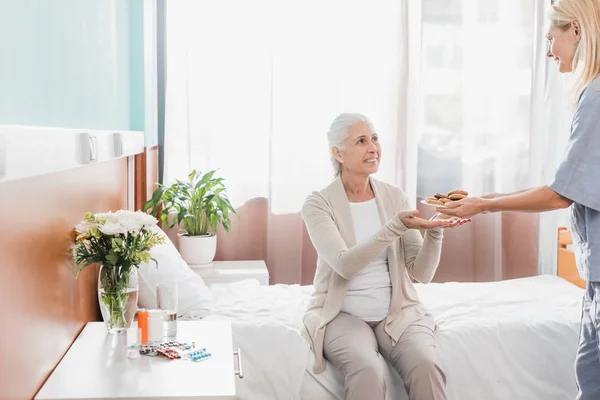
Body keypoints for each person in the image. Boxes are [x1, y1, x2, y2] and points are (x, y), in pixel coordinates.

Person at [439, 1, 600, 398]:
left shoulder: (595, 98)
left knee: (592, 377)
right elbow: (569, 184)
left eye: (551, 38)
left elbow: (562, 193)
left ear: (576, 31)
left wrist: (486, 205)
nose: (549, 51)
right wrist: (489, 198)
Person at [301, 112, 470, 400]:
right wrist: (395, 226)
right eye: (361, 141)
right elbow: (344, 264)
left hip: (397, 312)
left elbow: (421, 273)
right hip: (342, 315)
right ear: (337, 153)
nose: (373, 148)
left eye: (375, 139)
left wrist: (436, 229)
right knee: (368, 370)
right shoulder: (318, 204)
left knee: (427, 365)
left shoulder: (394, 197)